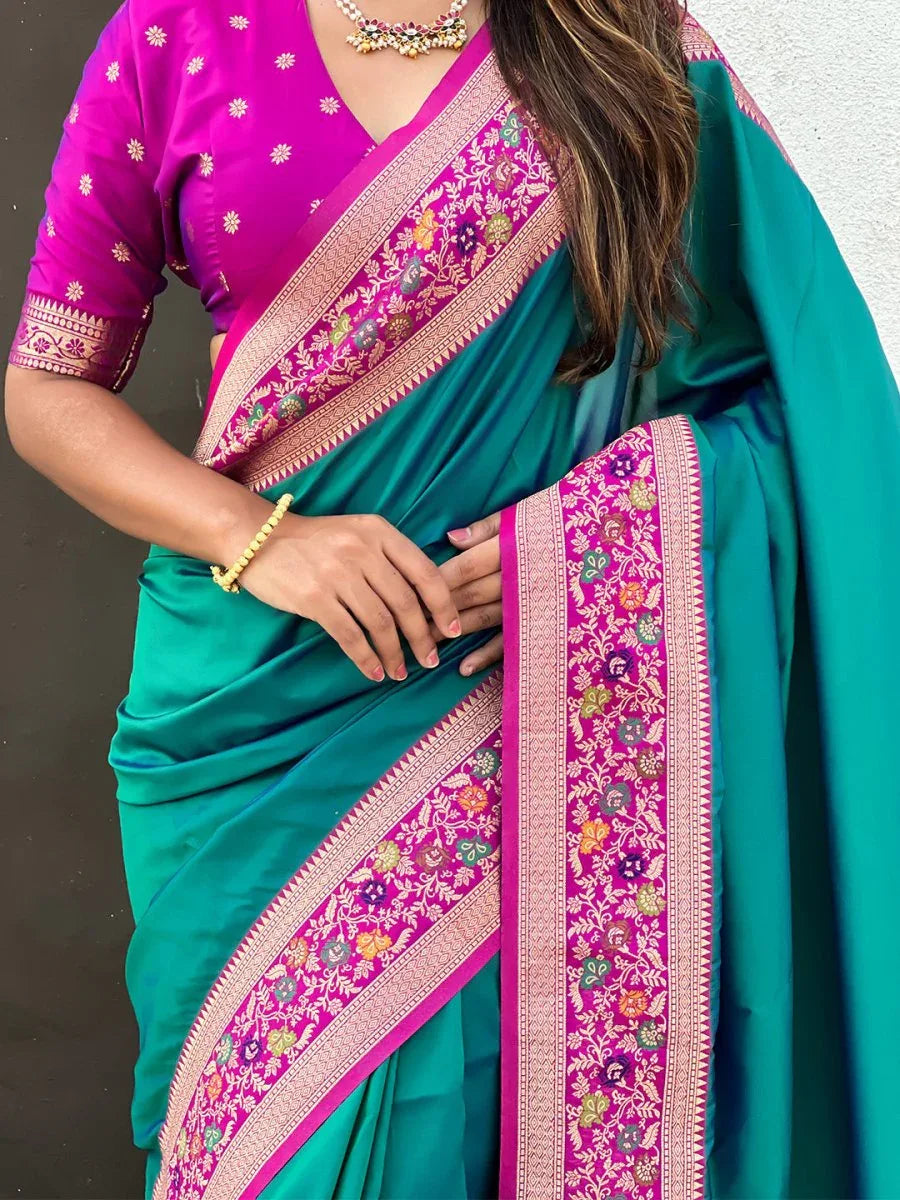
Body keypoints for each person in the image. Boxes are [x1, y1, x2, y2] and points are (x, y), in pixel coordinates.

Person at [5, 1, 898, 1197]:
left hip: (530, 712)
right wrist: (255, 538)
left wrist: (597, 549)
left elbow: (814, 404)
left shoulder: (624, 41)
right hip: (248, 717)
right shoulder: (179, 33)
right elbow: (49, 390)